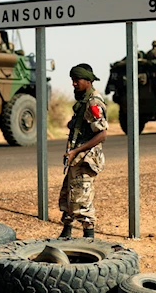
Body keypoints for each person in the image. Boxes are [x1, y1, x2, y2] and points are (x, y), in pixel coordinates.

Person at [59, 63, 108, 239]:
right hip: (76, 158)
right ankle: (65, 235)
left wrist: (76, 151)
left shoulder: (93, 103)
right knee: (68, 197)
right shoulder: (83, 102)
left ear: (88, 81)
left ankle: (89, 241)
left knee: (83, 201)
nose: (73, 84)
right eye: (72, 80)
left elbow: (102, 134)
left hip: (85, 160)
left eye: (77, 80)